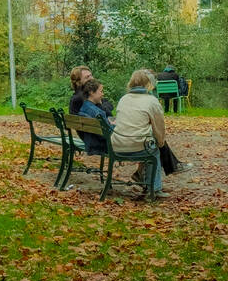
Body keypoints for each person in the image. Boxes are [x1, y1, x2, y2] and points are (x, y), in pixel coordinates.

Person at [111, 69, 193, 198]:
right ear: (149, 83)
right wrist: (161, 144)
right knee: (154, 146)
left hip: (117, 145)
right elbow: (159, 129)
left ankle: (141, 175)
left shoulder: (123, 99)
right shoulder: (151, 101)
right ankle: (155, 188)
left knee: (149, 141)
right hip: (137, 146)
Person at [74, 78, 110, 157]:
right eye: (101, 91)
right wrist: (114, 125)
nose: (103, 94)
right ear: (91, 92)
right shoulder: (98, 113)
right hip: (102, 146)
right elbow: (108, 133)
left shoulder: (83, 107)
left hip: (91, 144)